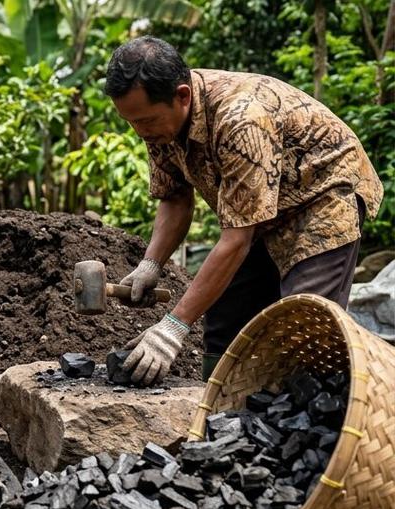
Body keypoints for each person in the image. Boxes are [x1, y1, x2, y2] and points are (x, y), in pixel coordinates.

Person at [104, 36, 383, 385]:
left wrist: (171, 328)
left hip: (321, 197)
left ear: (182, 96)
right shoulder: (161, 127)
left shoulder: (242, 119)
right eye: (130, 121)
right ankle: (218, 420)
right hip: (257, 208)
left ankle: (309, 427)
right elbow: (175, 199)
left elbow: (237, 239)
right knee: (225, 318)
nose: (139, 131)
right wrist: (150, 264)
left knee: (300, 327)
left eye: (145, 121)